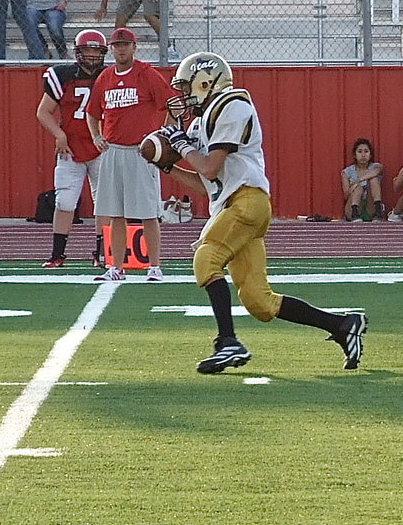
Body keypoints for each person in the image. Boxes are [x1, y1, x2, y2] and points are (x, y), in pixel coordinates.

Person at [155, 51, 367, 373]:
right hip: (234, 204)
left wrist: (182, 145)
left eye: (186, 87)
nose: (182, 96)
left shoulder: (232, 104)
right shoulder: (204, 119)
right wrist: (167, 165)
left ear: (205, 81)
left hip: (248, 202)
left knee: (206, 258)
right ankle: (342, 325)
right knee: (259, 301)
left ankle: (227, 342)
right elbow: (207, 183)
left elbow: (210, 168)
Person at [84, 27, 173, 281]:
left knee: (148, 211)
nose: (120, 49)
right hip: (113, 150)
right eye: (116, 45)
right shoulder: (105, 78)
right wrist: (96, 137)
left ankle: (154, 265)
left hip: (141, 151)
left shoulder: (147, 74)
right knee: (115, 213)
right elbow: (93, 112)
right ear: (110, 49)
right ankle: (117, 267)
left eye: (125, 44)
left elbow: (169, 104)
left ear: (134, 47)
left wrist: (161, 135)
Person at [35, 28, 109, 267]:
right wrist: (59, 135)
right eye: (88, 50)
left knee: (105, 202)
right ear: (78, 52)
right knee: (65, 201)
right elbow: (43, 112)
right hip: (71, 148)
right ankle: (57, 254)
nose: (92, 55)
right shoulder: (63, 75)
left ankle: (102, 253)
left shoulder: (110, 75)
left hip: (103, 146)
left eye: (96, 50)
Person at [341, 137, 384, 221]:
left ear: (370, 155)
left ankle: (378, 211)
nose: (363, 155)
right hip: (353, 205)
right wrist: (354, 188)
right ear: (355, 155)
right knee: (358, 188)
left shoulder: (376, 167)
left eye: (366, 151)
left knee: (374, 180)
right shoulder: (347, 172)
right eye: (360, 152)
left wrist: (358, 181)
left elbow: (376, 172)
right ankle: (355, 214)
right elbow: (345, 195)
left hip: (370, 206)